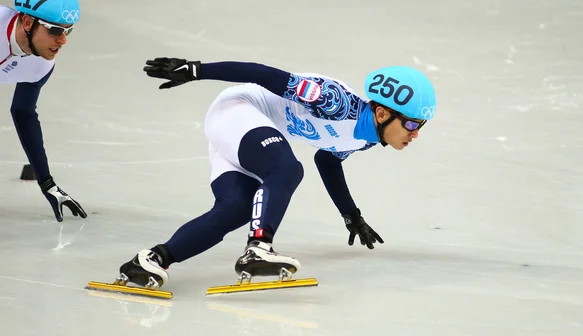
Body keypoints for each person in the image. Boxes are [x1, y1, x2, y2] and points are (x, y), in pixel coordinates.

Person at [118, 57, 436, 289]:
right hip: (240, 110)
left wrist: (351, 216)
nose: (415, 133)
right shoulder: (335, 102)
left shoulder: (364, 140)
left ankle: (151, 259)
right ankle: (258, 248)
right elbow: (266, 75)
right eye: (411, 124)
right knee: (286, 168)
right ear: (382, 113)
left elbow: (327, 161)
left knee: (236, 209)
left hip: (239, 132)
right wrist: (196, 70)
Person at [1, 0, 87, 222]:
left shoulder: (41, 64)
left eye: (68, 30)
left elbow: (23, 113)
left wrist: (46, 182)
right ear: (28, 22)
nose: (63, 40)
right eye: (55, 30)